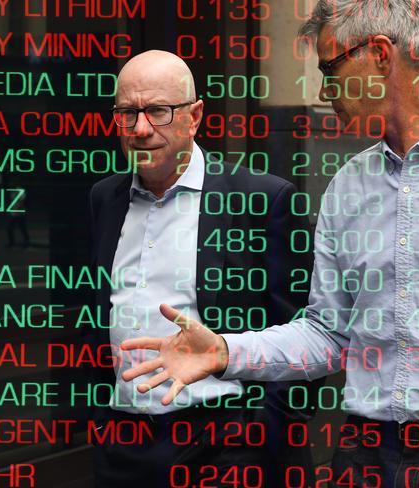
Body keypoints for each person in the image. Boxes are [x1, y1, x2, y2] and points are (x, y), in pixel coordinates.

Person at [119, 2, 419, 487]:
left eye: (329, 68)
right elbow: (326, 334)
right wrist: (226, 352)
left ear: (379, 54)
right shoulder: (348, 186)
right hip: (364, 455)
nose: (322, 89)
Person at [84, 50, 320, 487]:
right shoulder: (104, 198)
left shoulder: (262, 200)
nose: (141, 129)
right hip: (123, 445)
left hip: (226, 446)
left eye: (158, 111)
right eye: (128, 113)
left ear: (193, 117)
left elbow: (310, 331)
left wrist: (263, 430)